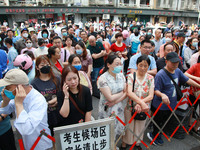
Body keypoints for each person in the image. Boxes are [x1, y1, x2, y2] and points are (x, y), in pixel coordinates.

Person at [148, 52, 200, 146]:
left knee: (164, 122)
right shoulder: (160, 74)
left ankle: (159, 133)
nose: (175, 65)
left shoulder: (177, 71)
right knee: (158, 122)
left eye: (177, 62)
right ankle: (154, 135)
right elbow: (155, 90)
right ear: (166, 61)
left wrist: (198, 85)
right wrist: (162, 95)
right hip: (160, 105)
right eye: (173, 62)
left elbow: (187, 80)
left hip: (172, 103)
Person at [0, 69, 53, 150]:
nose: (6, 89)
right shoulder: (18, 97)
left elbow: (26, 129)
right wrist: (6, 101)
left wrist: (19, 104)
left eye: (8, 87)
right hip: (27, 144)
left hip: (41, 144)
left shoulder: (37, 100)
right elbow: (4, 111)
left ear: (19, 87)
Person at [122, 55, 154, 150]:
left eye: (145, 66)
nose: (143, 68)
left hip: (144, 107)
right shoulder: (131, 76)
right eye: (140, 65)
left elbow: (151, 95)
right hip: (130, 106)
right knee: (129, 125)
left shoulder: (150, 78)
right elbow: (129, 92)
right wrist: (141, 103)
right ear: (136, 65)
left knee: (140, 125)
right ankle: (125, 143)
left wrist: (141, 104)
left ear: (148, 66)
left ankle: (137, 143)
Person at [98, 53, 127, 139]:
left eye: (120, 64)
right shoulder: (103, 78)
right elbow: (109, 98)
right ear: (108, 65)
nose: (119, 66)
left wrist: (115, 101)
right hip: (107, 109)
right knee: (107, 132)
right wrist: (122, 92)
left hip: (119, 107)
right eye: (117, 64)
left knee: (117, 130)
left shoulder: (121, 76)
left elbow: (126, 92)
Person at [31, 55, 59, 136]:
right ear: (37, 67)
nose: (45, 67)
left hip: (58, 114)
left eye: (47, 64)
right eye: (42, 65)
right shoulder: (34, 83)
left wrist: (56, 100)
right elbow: (35, 101)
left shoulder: (57, 79)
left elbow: (61, 94)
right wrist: (48, 103)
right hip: (44, 117)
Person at [185, 56, 200, 136]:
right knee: (191, 109)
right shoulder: (196, 66)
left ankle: (196, 128)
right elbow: (186, 74)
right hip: (194, 92)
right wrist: (196, 78)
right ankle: (189, 125)